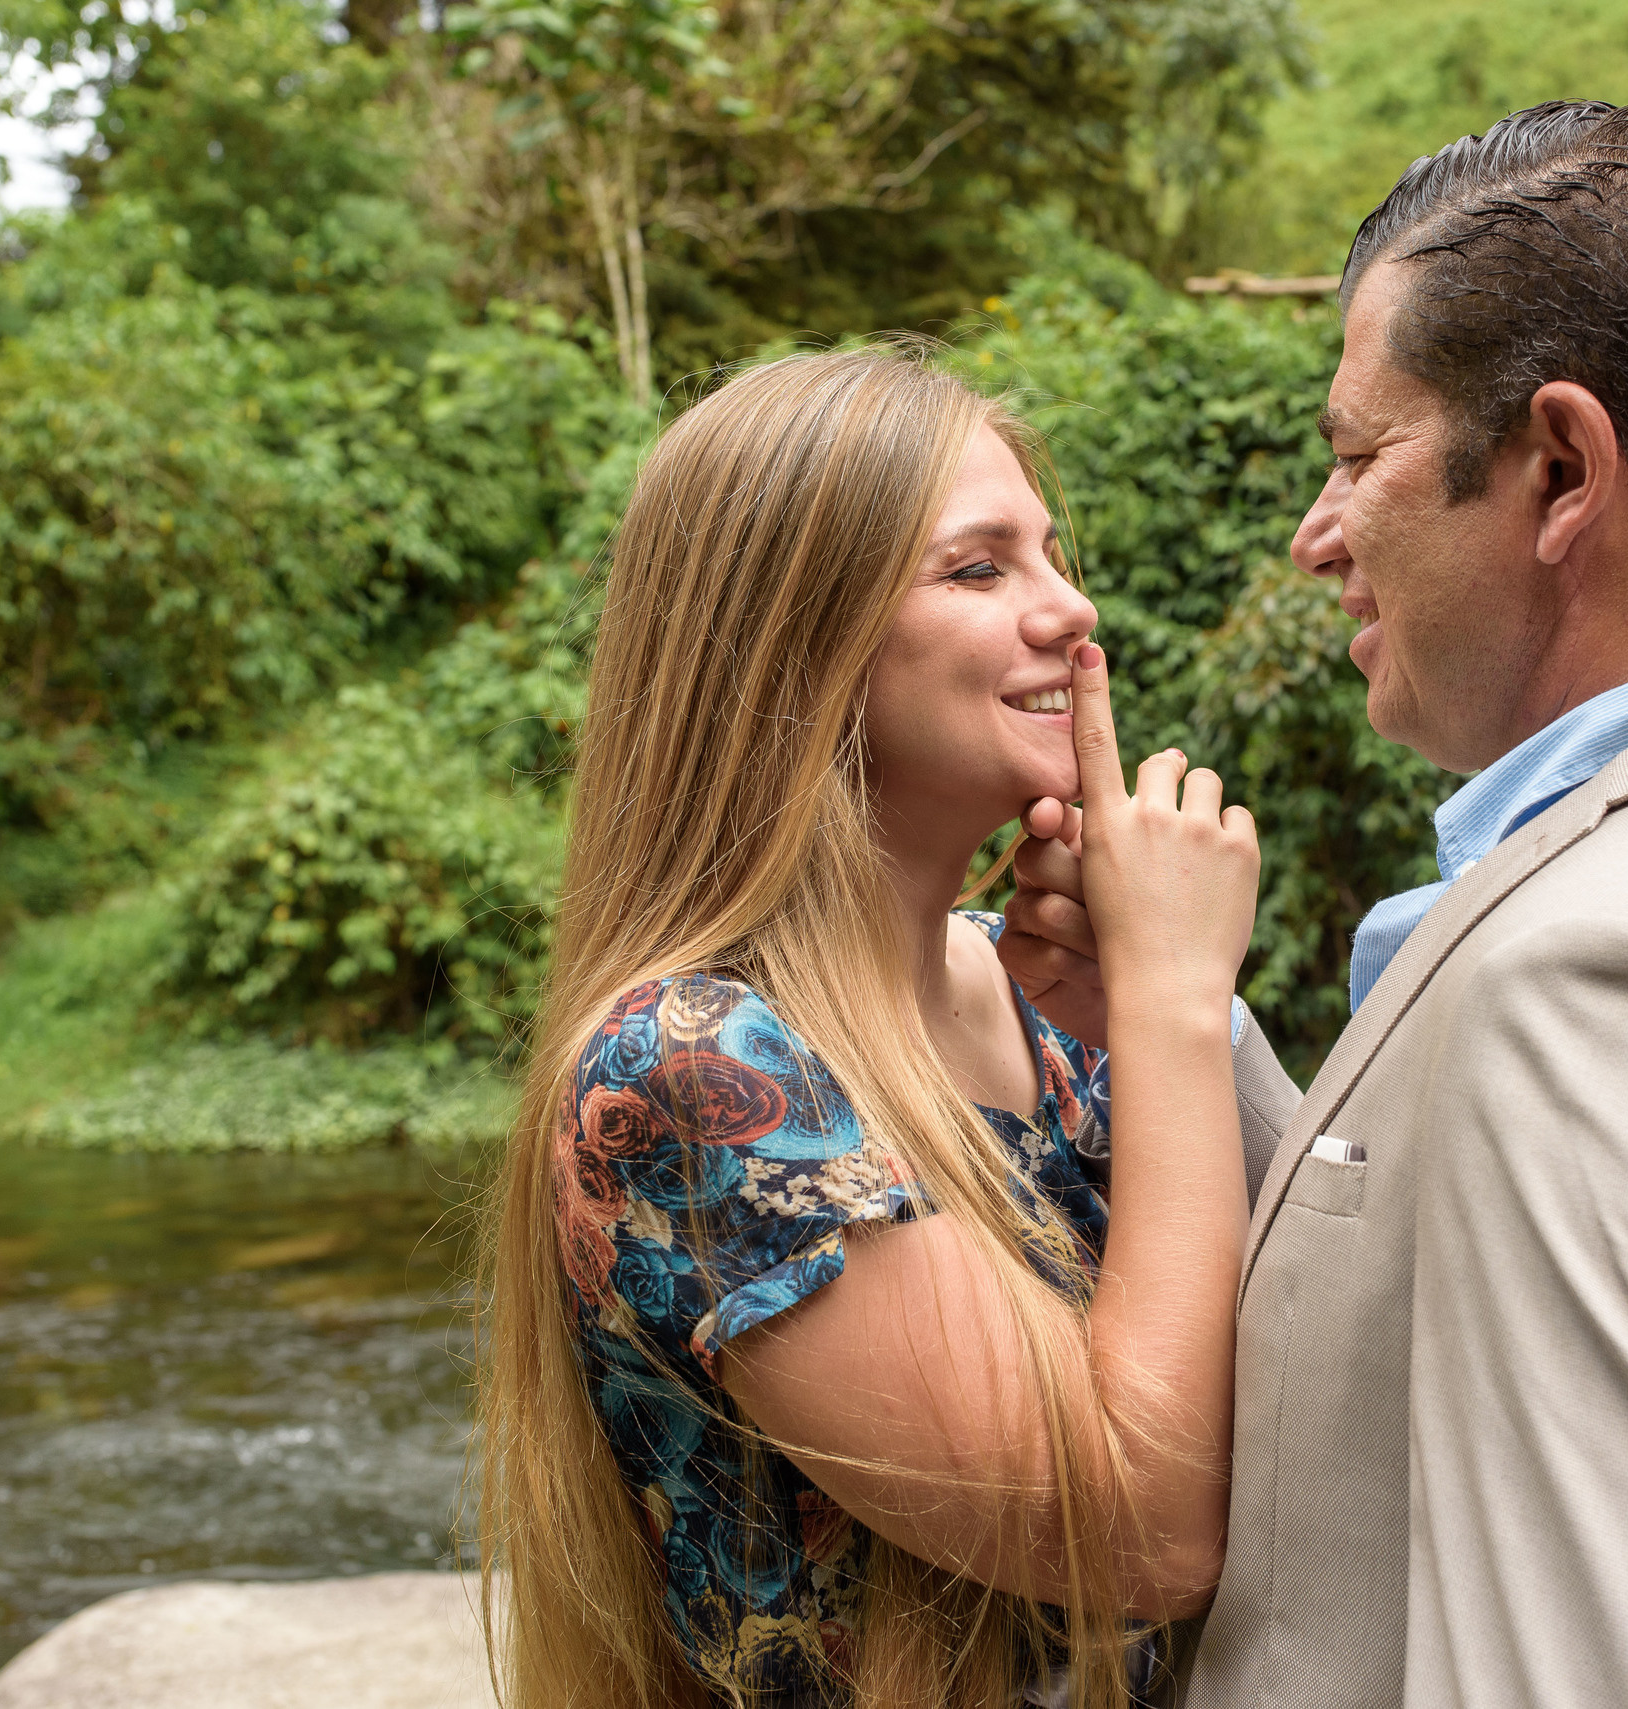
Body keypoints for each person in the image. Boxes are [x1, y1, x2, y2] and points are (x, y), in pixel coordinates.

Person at [1000, 102, 1628, 1707]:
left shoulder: (1622, 980)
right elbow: (1425, 1312)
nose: (1316, 538)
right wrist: (1177, 1030)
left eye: (1357, 457)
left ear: (1561, 471)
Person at [479, 348, 1268, 1709]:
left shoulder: (1037, 997)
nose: (1072, 608)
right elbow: (1145, 1531)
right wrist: (1175, 1005)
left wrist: (1148, 1023)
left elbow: (1303, 1378)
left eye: (1052, 554)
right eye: (980, 568)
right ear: (798, 648)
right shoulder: (692, 1063)